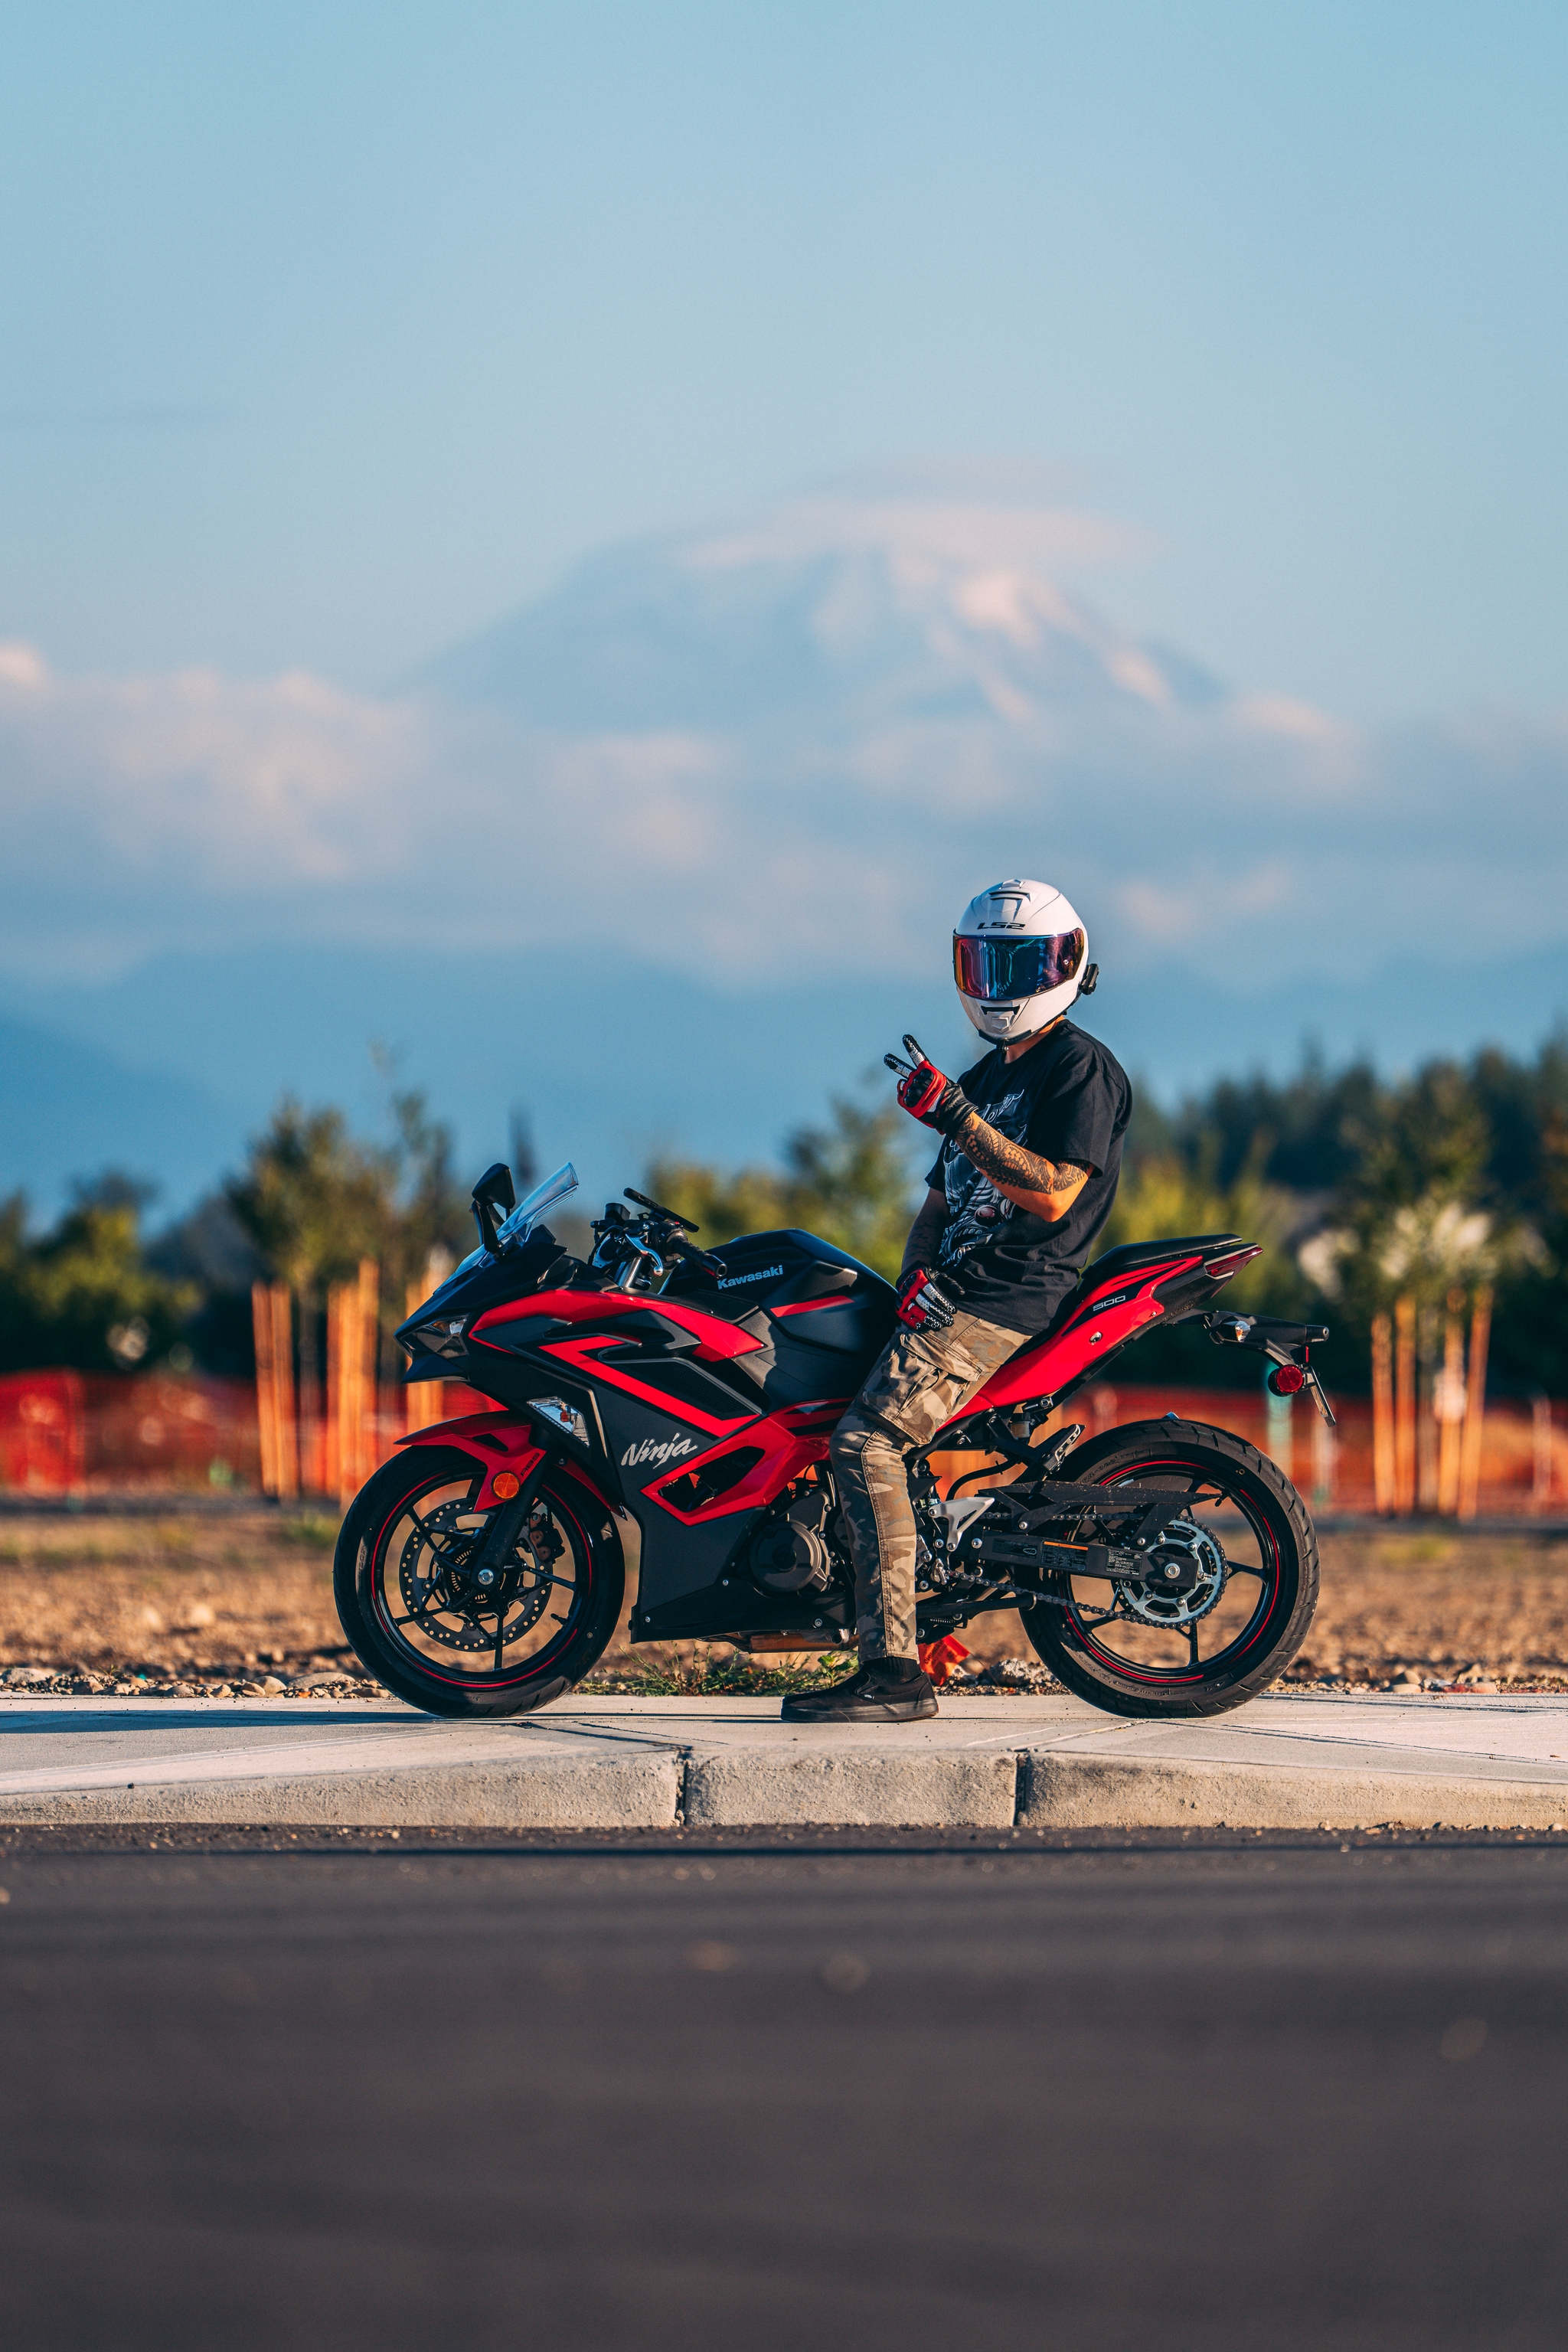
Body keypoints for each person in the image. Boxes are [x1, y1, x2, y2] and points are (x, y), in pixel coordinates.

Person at [783, 878, 1132, 1724]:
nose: (1001, 984)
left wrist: (958, 1117)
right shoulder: (987, 1071)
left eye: (1021, 964)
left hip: (1007, 1296)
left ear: (1066, 965)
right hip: (951, 1294)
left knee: (864, 1442)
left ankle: (895, 1671)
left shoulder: (1079, 1067)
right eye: (986, 961)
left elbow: (1051, 1194)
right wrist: (908, 1277)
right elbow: (937, 1203)